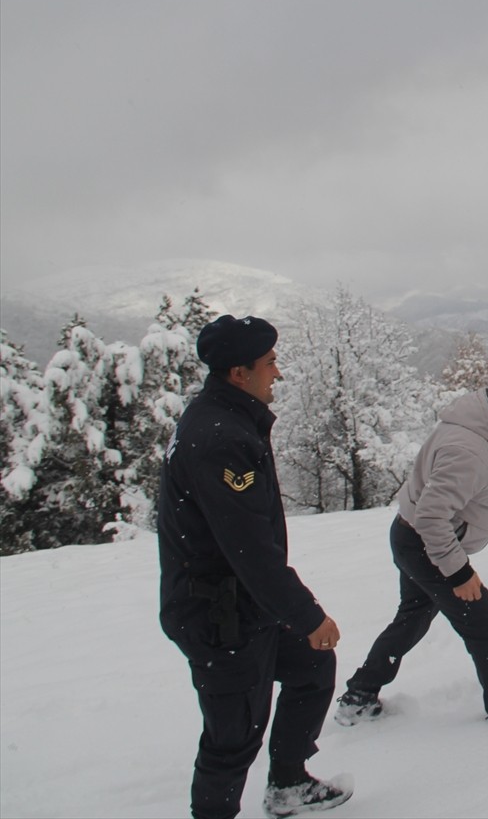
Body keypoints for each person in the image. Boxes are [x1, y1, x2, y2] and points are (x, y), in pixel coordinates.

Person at [158, 315, 351, 819]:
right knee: (232, 738)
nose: (278, 373)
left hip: (244, 604)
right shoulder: (220, 438)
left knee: (311, 667)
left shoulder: (223, 417)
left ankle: (288, 785)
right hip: (218, 615)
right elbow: (250, 550)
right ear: (239, 373)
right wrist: (309, 616)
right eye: (269, 364)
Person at [335, 367, 488, 725]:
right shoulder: (468, 451)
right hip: (428, 544)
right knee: (487, 625)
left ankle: (360, 694)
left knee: (412, 618)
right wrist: (459, 572)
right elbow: (432, 518)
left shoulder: (483, 425)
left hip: (416, 540)